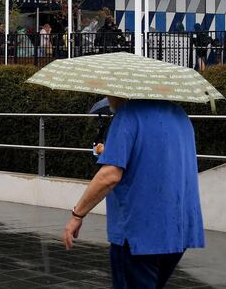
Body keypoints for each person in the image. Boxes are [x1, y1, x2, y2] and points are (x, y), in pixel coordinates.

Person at [63, 97, 205, 288]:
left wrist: (77, 215)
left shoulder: (127, 115)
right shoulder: (180, 115)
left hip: (138, 232)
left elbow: (110, 175)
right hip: (177, 231)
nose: (108, 97)